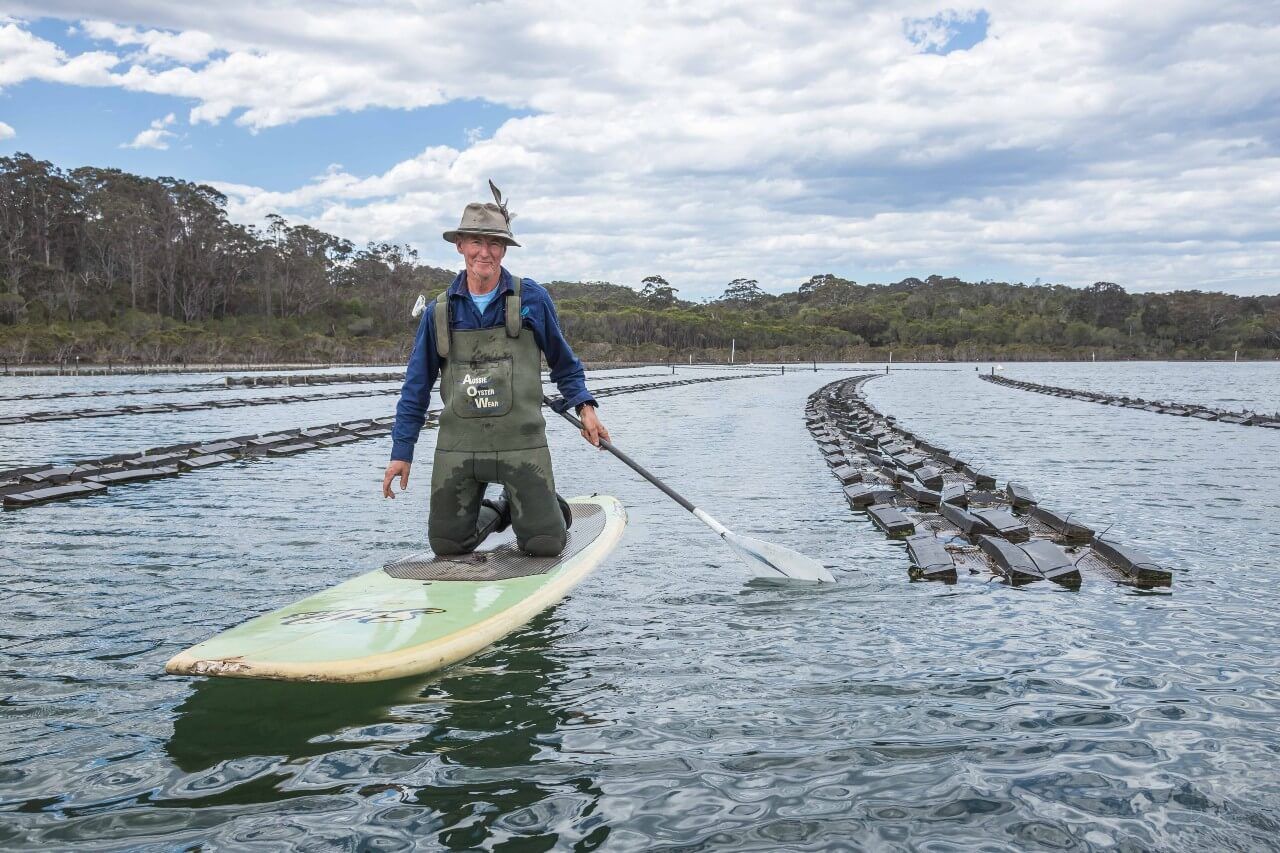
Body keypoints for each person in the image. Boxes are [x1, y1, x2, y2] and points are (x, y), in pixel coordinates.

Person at [382, 184, 609, 557]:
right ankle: (504, 509)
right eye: (475, 242)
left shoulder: (531, 299)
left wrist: (586, 409)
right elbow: (415, 388)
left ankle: (550, 508)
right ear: (460, 245)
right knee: (447, 544)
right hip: (459, 447)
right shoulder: (439, 312)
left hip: (521, 443)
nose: (484, 252)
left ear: (504, 249)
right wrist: (401, 452)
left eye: (494, 243)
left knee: (544, 544)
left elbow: (564, 363)